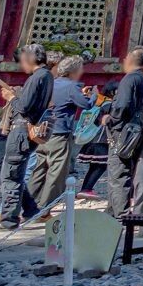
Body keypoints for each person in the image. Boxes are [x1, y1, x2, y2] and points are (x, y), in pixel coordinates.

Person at [25, 56, 87, 217]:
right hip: (60, 134)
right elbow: (86, 104)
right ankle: (44, 209)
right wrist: (92, 95)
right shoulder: (71, 86)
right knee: (56, 173)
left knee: (38, 170)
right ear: (73, 71)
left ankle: (28, 205)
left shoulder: (50, 83)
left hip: (43, 132)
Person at [0, 44, 51, 226]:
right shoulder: (47, 76)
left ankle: (8, 219)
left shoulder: (37, 78)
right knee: (17, 174)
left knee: (10, 175)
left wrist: (11, 97)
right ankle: (31, 210)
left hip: (21, 130)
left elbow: (24, 107)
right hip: (30, 132)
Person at [103, 49, 143, 217]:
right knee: (128, 170)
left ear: (130, 61)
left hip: (125, 132)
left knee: (118, 173)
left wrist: (110, 119)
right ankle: (112, 210)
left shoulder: (130, 79)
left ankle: (120, 215)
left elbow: (122, 105)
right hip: (142, 131)